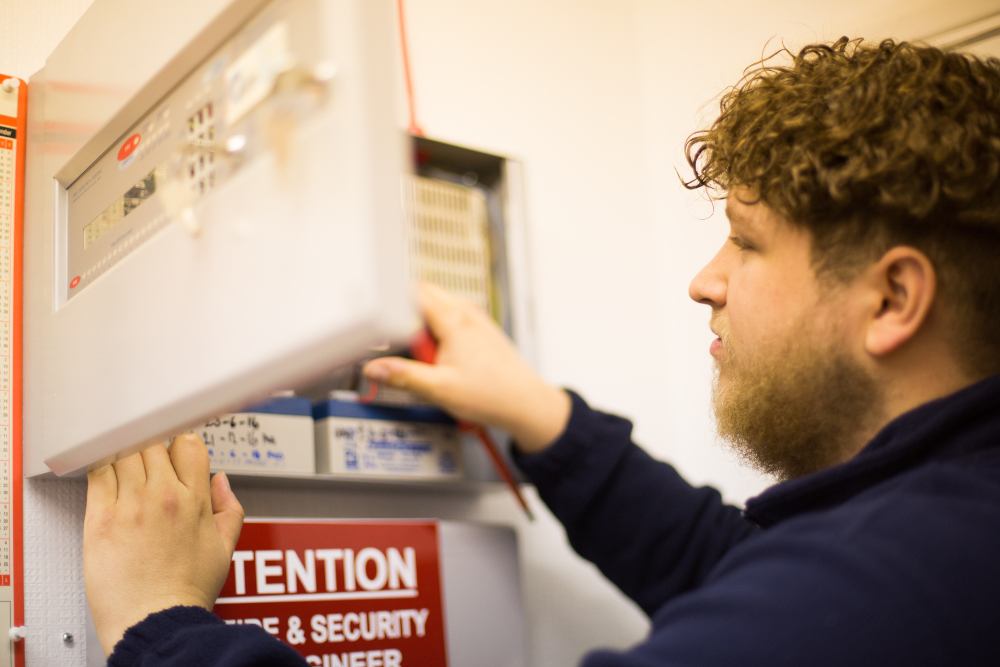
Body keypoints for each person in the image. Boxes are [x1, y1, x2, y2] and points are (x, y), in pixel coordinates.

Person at [84, 37, 1000, 666]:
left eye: (748, 243)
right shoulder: (945, 523)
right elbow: (727, 565)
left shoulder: (878, 590)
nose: (705, 280)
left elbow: (792, 599)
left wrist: (160, 620)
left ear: (893, 298)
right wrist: (540, 414)